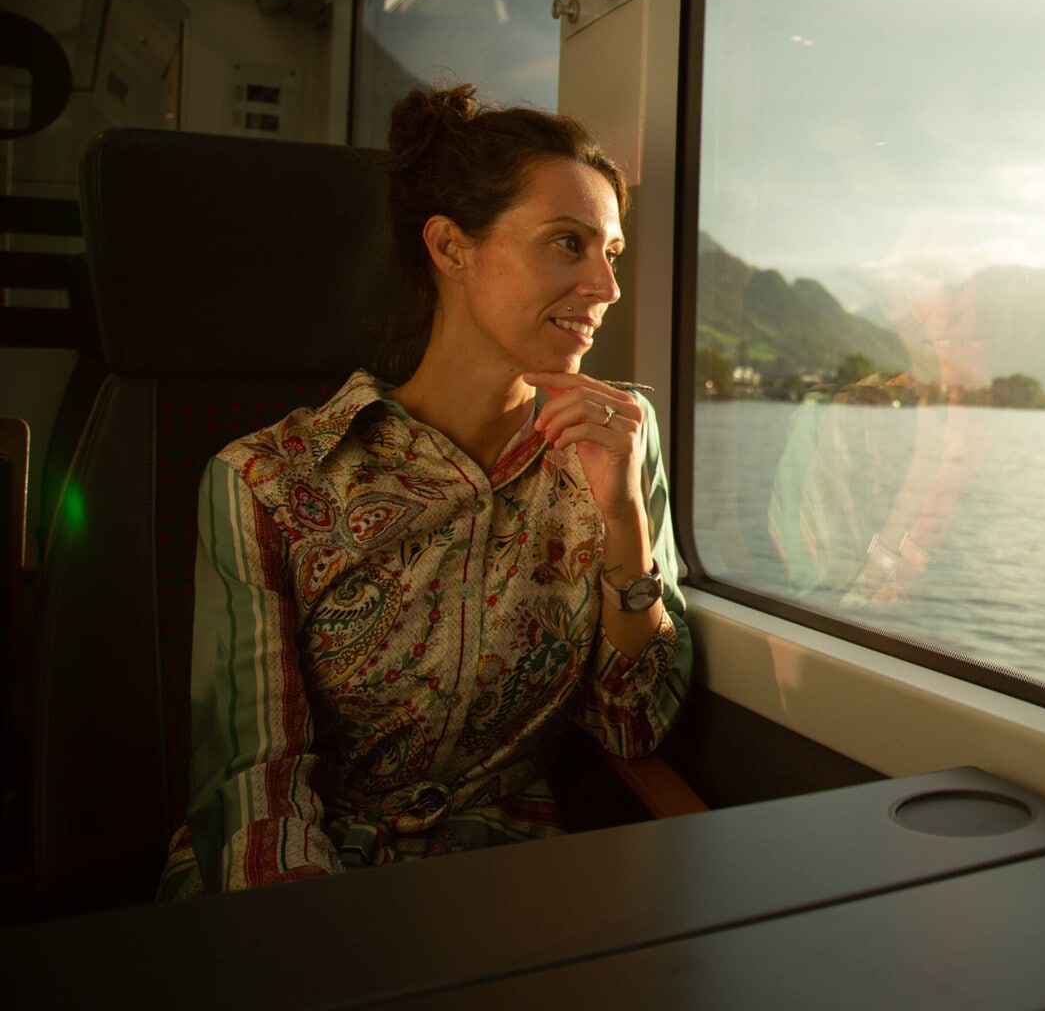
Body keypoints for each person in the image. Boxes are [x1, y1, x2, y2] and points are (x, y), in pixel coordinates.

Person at [158, 84, 690, 897]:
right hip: (297, 884)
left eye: (609, 253)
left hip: (515, 882)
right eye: (566, 243)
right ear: (450, 248)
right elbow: (253, 787)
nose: (606, 288)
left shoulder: (619, 435)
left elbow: (632, 725)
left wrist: (622, 519)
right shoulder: (270, 481)